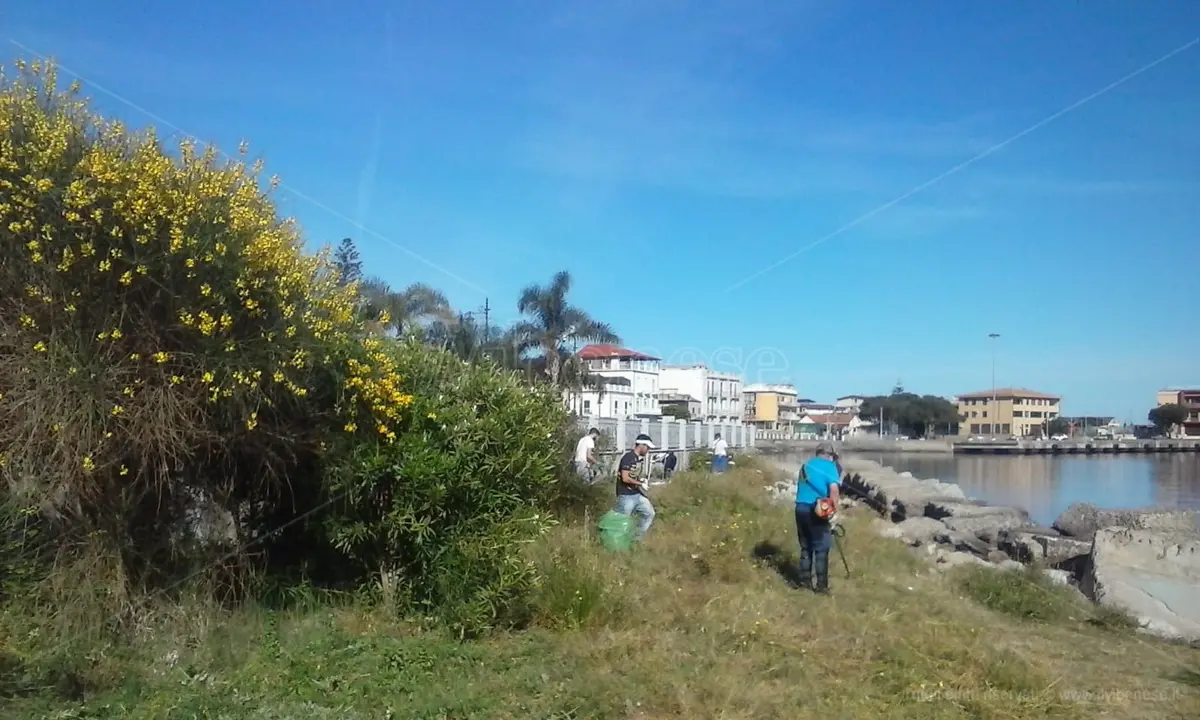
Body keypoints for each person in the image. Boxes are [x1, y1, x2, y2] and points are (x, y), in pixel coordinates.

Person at [794, 440, 841, 594]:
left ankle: (805, 583)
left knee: (805, 547)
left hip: (800, 508)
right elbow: (834, 491)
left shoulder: (805, 466)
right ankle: (821, 587)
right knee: (821, 548)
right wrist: (834, 513)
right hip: (819, 509)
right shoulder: (830, 466)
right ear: (830, 455)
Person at [615, 433, 656, 539]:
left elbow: (632, 475)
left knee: (649, 513)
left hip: (636, 494)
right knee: (622, 521)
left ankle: (636, 538)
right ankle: (618, 543)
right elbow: (625, 478)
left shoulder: (638, 459)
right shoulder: (628, 457)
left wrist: (640, 480)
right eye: (647, 447)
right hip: (626, 495)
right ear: (641, 446)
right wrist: (640, 484)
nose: (648, 451)